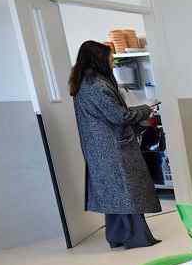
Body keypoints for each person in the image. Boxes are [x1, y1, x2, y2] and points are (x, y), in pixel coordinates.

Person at [69, 40, 161, 249]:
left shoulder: (85, 82)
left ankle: (118, 235)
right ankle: (134, 237)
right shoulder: (97, 86)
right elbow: (119, 116)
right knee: (126, 193)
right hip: (111, 148)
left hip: (101, 147)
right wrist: (146, 110)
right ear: (99, 59)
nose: (112, 62)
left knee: (115, 195)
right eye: (110, 58)